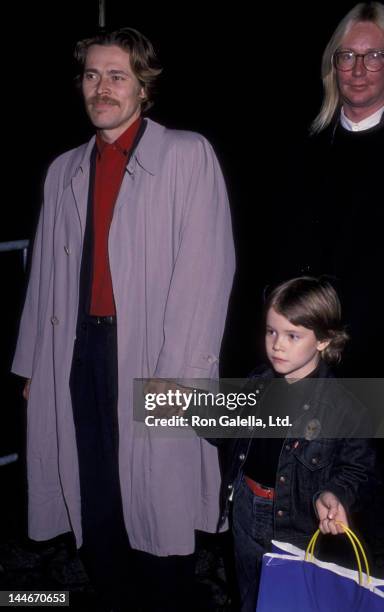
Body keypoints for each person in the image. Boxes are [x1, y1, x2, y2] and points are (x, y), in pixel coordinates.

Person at [12, 27, 235, 612]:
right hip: (77, 352)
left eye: (116, 76)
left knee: (158, 493)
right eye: (91, 75)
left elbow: (207, 270)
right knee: (93, 489)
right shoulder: (63, 170)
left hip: (153, 352)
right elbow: (42, 281)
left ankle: (166, 600)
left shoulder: (186, 155)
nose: (101, 88)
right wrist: (33, 364)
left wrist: (182, 376)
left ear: (143, 85)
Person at [214, 277, 375, 612]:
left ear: (324, 339)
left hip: (295, 526)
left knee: (288, 602)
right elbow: (229, 430)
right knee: (250, 595)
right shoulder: (258, 382)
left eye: (292, 335)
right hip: (245, 507)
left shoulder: (345, 407)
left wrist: (334, 494)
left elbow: (357, 467)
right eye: (271, 331)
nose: (277, 345)